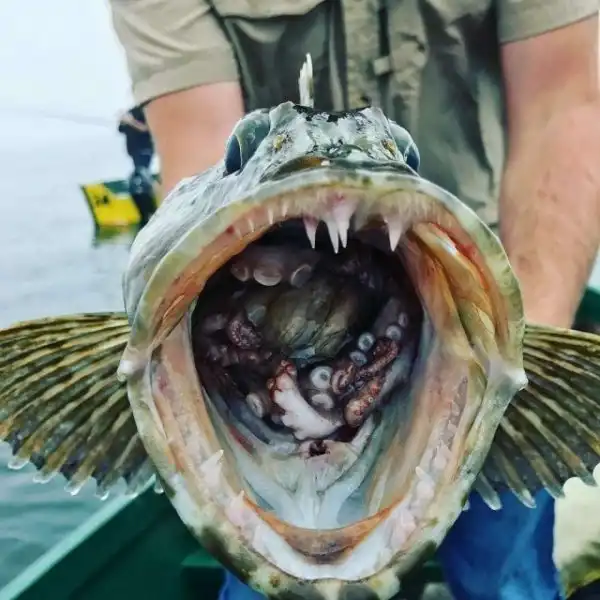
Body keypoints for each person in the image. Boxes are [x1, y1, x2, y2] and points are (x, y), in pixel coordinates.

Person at [106, 1, 600, 598]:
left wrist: (504, 370)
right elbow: (201, 159)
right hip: (240, 383)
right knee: (266, 566)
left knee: (506, 579)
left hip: (473, 308)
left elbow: (562, 107)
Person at [118, 105, 156, 225]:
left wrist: (131, 121)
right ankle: (146, 214)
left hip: (145, 150)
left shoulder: (146, 111)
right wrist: (122, 120)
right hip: (134, 152)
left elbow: (146, 128)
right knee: (138, 179)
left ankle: (151, 212)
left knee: (142, 179)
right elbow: (121, 130)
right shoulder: (131, 111)